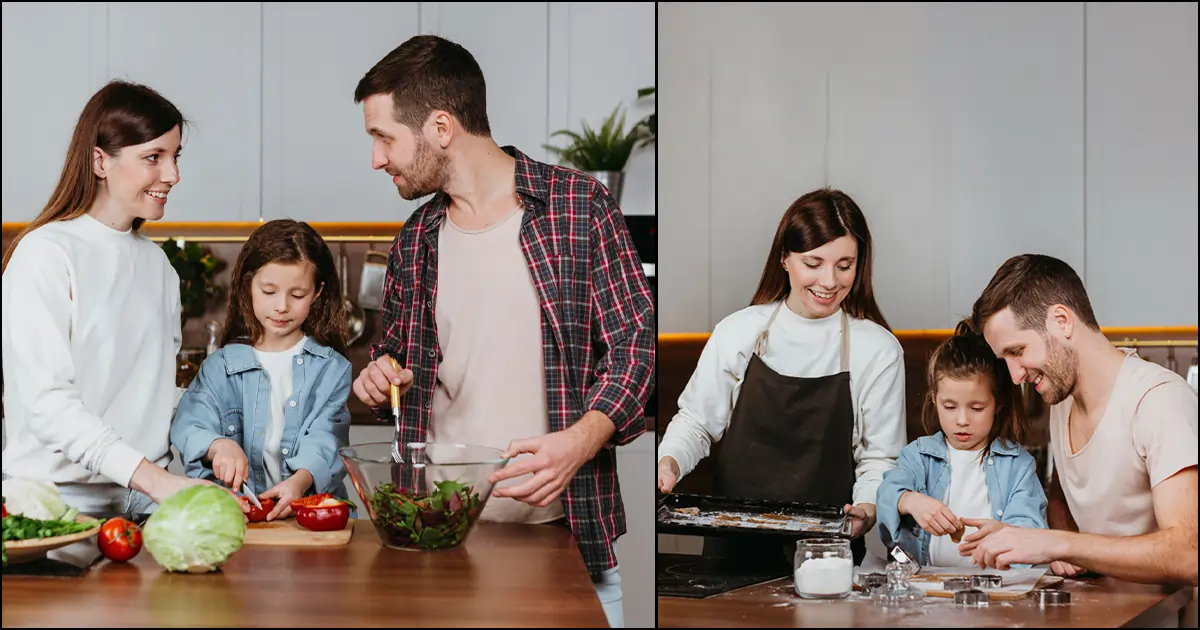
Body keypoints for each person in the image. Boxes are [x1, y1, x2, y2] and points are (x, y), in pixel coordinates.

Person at [346, 35, 654, 628]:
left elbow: (635, 347)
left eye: (384, 137)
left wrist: (581, 440)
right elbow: (396, 367)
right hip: (437, 538)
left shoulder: (578, 207)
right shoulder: (416, 240)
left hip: (564, 538)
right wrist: (380, 378)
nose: (377, 159)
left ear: (440, 127)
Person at [1, 80, 223, 519]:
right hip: (58, 503)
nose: (172, 175)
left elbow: (152, 394)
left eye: (175, 156)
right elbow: (47, 405)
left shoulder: (158, 266)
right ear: (100, 161)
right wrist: (155, 480)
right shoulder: (45, 254)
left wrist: (214, 437)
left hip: (144, 500)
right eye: (153, 157)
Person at [656, 188, 907, 570]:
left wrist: (866, 509)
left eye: (844, 265)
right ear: (784, 258)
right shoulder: (738, 332)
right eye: (813, 263)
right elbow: (696, 422)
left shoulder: (878, 349)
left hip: (827, 554)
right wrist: (668, 463)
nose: (829, 280)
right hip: (733, 547)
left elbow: (879, 456)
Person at [962, 254, 1197, 587]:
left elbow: (1189, 554)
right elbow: (1062, 495)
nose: (1015, 376)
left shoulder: (1159, 399)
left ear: (1062, 321)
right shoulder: (1062, 400)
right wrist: (1033, 538)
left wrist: (1058, 544)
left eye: (1017, 351)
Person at [170, 220, 353, 520]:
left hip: (310, 518)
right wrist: (218, 446)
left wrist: (299, 482)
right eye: (269, 291)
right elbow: (189, 424)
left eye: (297, 295)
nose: (282, 306)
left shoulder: (331, 369)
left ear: (317, 293)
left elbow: (327, 439)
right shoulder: (219, 367)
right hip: (236, 517)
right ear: (248, 286)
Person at [876, 320, 1048, 567]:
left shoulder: (1018, 465)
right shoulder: (918, 455)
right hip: (927, 584)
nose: (962, 420)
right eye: (950, 406)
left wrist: (1007, 534)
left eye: (976, 408)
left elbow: (1031, 527)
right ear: (934, 400)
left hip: (995, 584)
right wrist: (909, 500)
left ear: (997, 405)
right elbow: (886, 494)